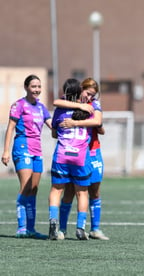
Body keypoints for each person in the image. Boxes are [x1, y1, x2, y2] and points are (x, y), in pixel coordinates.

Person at [52, 77, 109, 240]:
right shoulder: (70, 102)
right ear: (80, 89)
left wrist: (75, 123)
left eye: (93, 95)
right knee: (69, 191)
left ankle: (95, 229)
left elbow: (98, 121)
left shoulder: (94, 105)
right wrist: (79, 106)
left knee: (95, 191)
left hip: (93, 152)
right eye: (88, 93)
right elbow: (56, 102)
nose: (90, 98)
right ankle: (61, 229)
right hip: (76, 154)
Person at [1, 74, 52, 239]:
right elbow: (10, 128)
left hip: (37, 150)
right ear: (26, 88)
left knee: (34, 190)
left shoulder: (41, 107)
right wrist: (6, 151)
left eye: (39, 86)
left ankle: (31, 229)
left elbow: (53, 128)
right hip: (22, 147)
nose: (37, 89)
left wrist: (69, 125)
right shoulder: (19, 105)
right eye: (33, 86)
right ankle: (21, 228)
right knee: (26, 187)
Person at [48, 78, 94, 240]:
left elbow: (54, 133)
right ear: (80, 92)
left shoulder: (60, 110)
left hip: (62, 154)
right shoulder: (89, 110)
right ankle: (80, 228)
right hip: (80, 157)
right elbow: (99, 125)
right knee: (82, 193)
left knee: (56, 190)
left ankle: (53, 225)